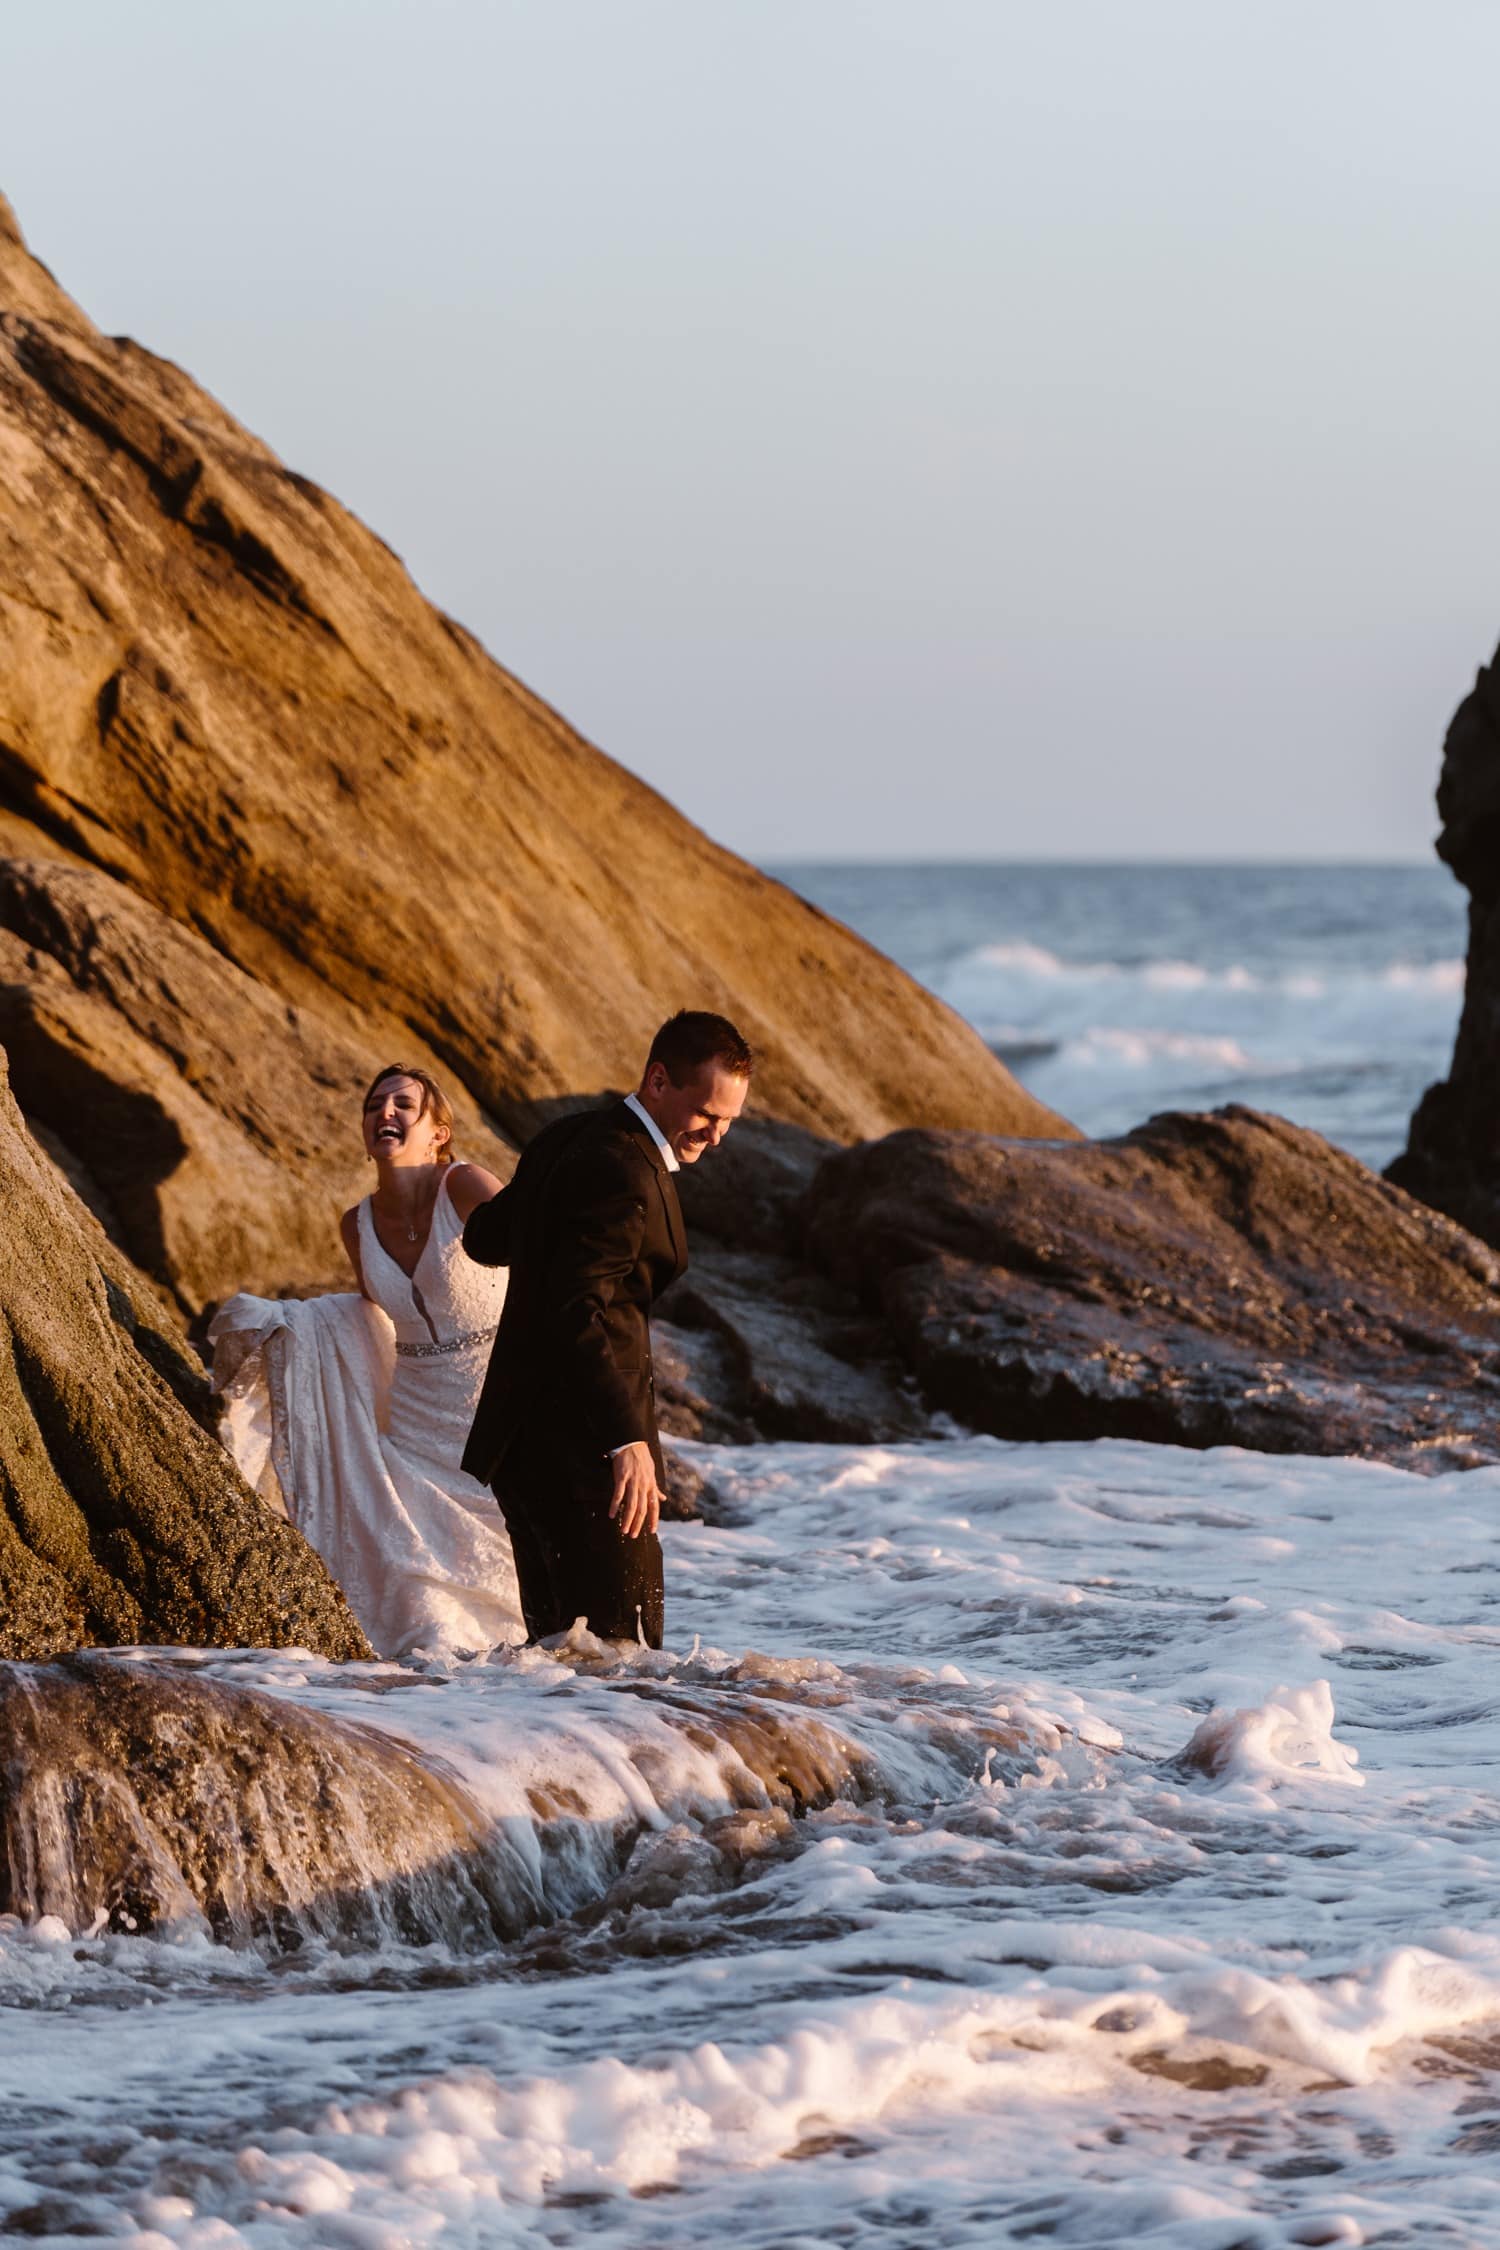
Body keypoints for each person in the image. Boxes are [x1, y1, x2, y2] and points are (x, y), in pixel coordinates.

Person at [209, 1065, 524, 1658]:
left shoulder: (468, 1187)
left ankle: (540, 1685)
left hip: (498, 1402)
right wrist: (297, 1328)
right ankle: (437, 1692)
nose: (386, 1113)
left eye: (404, 1104)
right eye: (374, 1105)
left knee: (511, 1568)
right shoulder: (356, 1225)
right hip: (414, 1421)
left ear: (438, 1130)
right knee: (420, 1589)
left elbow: (544, 1270)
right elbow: (369, 1313)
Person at [461, 1011, 752, 1647]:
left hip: (524, 1450)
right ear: (657, 1081)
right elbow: (576, 1309)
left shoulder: (567, 1137)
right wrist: (625, 1441)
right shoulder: (624, 1170)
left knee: (560, 1660)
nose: (717, 1135)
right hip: (587, 1452)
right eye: (707, 1114)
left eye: (729, 1120)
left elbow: (486, 1239)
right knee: (626, 1661)